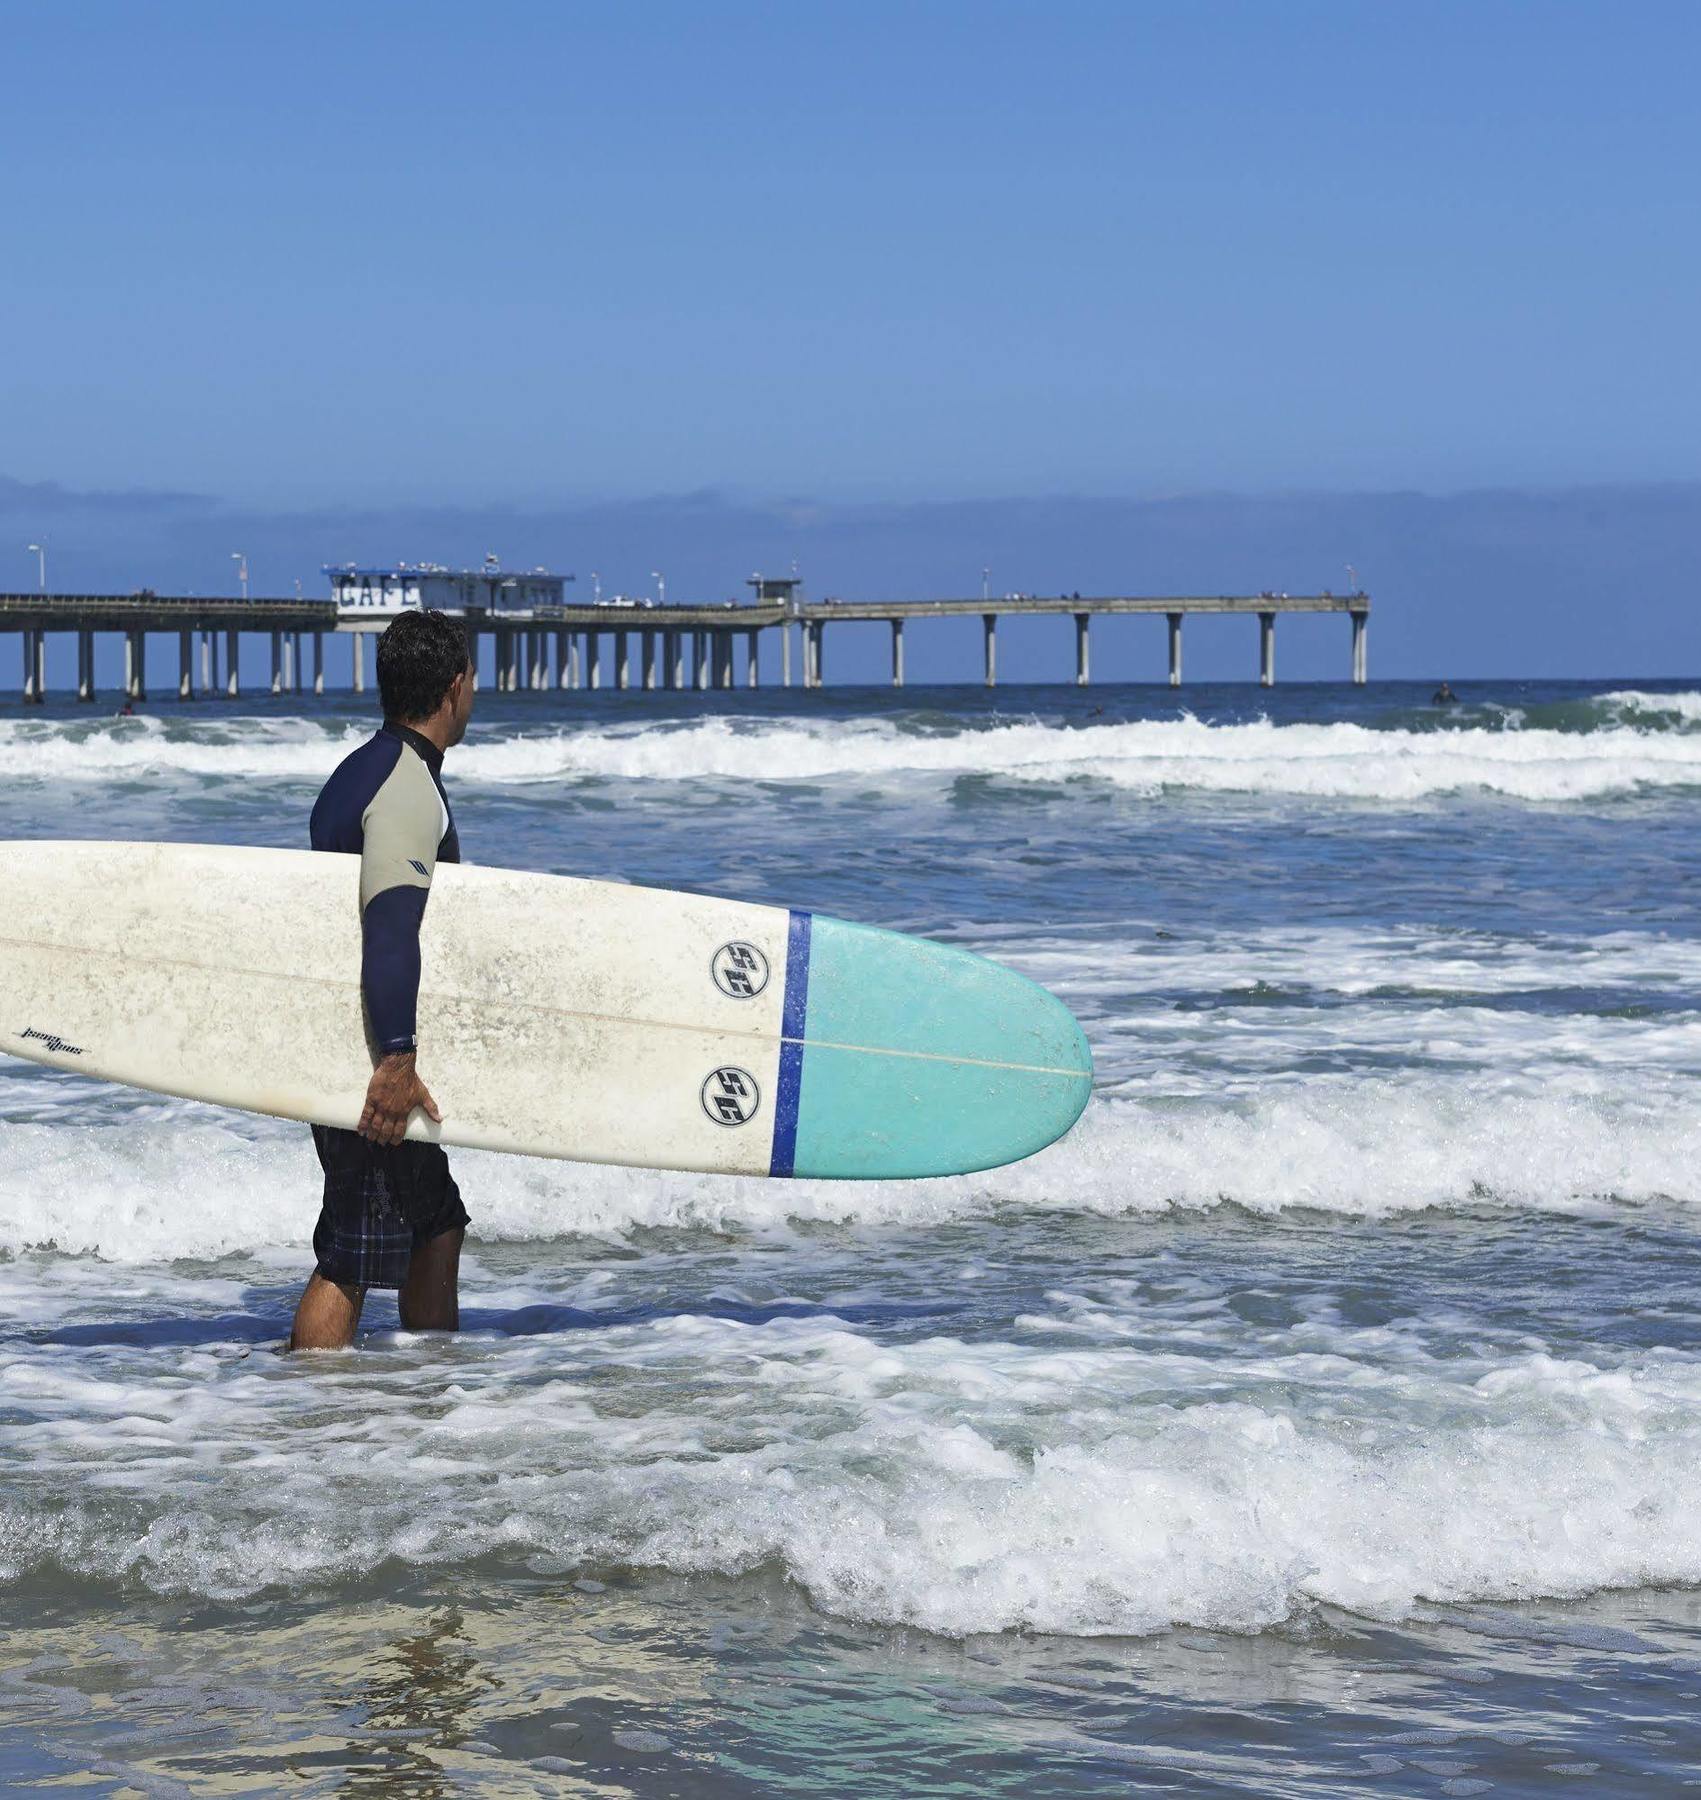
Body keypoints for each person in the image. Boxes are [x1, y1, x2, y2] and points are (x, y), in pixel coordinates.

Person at [289, 609, 474, 1351]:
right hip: (370, 1057)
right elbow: (390, 925)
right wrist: (396, 1058)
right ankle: (312, 1403)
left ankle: (423, 1389)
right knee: (351, 1254)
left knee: (436, 1225)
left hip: (355, 1039)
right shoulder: (402, 785)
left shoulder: (361, 769)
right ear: (455, 688)